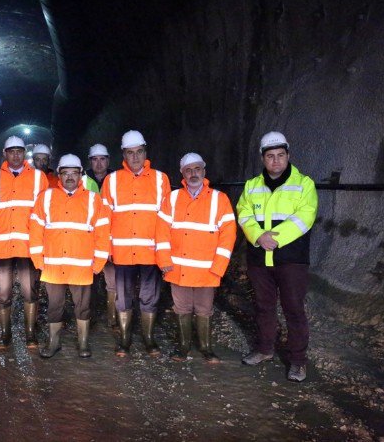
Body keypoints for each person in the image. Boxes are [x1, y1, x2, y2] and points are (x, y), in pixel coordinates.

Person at [237, 131, 318, 382]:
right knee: (263, 307)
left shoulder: (304, 184)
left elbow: (305, 216)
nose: (275, 161)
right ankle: (264, 350)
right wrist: (258, 237)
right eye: (270, 156)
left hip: (291, 260)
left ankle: (297, 361)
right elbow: (243, 213)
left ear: (288, 156)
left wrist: (274, 238)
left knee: (293, 309)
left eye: (280, 155)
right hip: (260, 260)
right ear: (263, 158)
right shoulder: (252, 186)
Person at [156, 153, 236, 363]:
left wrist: (219, 267)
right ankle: (183, 347)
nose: (193, 174)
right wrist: (164, 261)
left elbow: (228, 236)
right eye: (188, 170)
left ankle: (206, 348)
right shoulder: (172, 198)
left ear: (204, 171)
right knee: (181, 308)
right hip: (178, 268)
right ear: (182, 173)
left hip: (206, 270)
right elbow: (161, 232)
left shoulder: (219, 199)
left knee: (204, 309)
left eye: (197, 169)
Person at [30, 154, 110, 358]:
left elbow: (102, 232)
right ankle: (53, 342)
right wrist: (38, 259)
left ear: (81, 175)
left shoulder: (94, 200)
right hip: (53, 265)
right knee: (54, 306)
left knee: (83, 307)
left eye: (74, 173)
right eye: (65, 173)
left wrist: (99, 261)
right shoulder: (46, 197)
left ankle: (83, 344)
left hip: (81, 266)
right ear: (59, 175)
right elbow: (35, 230)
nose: (70, 178)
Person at [101, 130, 171, 357]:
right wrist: (107, 248)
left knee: (149, 296)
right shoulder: (111, 181)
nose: (135, 158)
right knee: (123, 296)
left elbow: (166, 218)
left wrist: (164, 251)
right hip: (122, 251)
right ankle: (124, 339)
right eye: (130, 153)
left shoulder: (161, 180)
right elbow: (104, 219)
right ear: (123, 154)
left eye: (139, 152)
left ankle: (149, 339)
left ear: (145, 152)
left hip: (150, 251)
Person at [0, 136, 48, 349]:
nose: (16, 155)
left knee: (30, 290)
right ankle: (5, 332)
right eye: (12, 151)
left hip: (28, 245)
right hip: (2, 245)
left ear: (24, 152)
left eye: (20, 151)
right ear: (5, 153)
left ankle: (30, 333)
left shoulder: (39, 177)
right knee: (4, 291)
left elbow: (46, 211)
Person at [86, 143, 116, 327]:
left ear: (108, 160)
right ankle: (90, 316)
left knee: (113, 281)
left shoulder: (117, 179)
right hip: (90, 239)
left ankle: (112, 318)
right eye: (95, 160)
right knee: (90, 280)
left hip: (112, 237)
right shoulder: (82, 180)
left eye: (102, 159)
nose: (99, 164)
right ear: (90, 161)